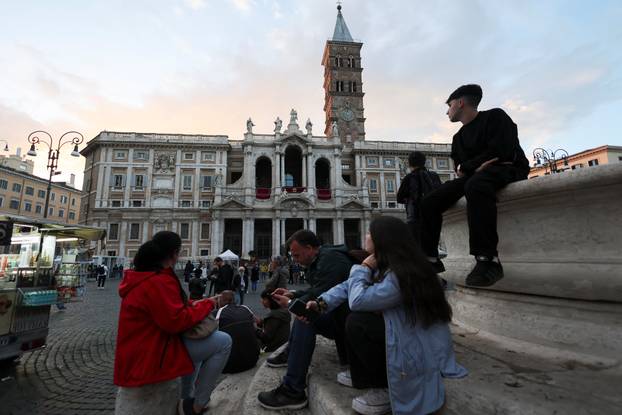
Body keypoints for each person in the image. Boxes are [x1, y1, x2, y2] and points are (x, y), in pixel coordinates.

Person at [308, 216, 467, 415]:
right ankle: (362, 376)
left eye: (369, 233)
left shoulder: (403, 275)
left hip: (414, 341)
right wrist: (321, 303)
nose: (365, 236)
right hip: (401, 328)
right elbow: (346, 288)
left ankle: (382, 387)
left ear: (382, 240)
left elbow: (358, 300)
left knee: (357, 321)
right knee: (345, 310)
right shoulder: (388, 265)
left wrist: (363, 267)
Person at [420, 84, 530, 287]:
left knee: (476, 186)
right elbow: (460, 170)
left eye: (449, 105)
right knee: (430, 201)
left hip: (508, 169)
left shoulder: (495, 117)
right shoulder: (457, 138)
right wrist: (477, 165)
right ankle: (430, 260)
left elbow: (502, 151)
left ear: (460, 103)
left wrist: (473, 166)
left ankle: (488, 260)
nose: (447, 111)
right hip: (477, 175)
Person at [113, 231, 232, 415]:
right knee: (223, 341)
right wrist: (210, 304)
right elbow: (177, 320)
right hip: (153, 351)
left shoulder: (143, 276)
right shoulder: (158, 281)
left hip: (142, 348)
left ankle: (185, 398)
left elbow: (172, 307)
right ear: (174, 254)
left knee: (197, 356)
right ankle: (198, 403)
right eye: (180, 252)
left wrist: (200, 303)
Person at [257, 230, 355, 410]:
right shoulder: (322, 259)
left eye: (296, 254)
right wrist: (293, 293)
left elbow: (320, 298)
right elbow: (317, 289)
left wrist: (291, 302)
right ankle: (290, 358)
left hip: (350, 326)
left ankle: (293, 390)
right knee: (305, 315)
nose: (294, 259)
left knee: (306, 317)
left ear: (310, 248)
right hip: (344, 319)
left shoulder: (331, 261)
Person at [397, 151, 441, 244]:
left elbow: (399, 197)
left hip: (415, 217)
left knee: (417, 244)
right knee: (432, 244)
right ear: (424, 162)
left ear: (409, 164)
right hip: (433, 216)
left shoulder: (409, 177)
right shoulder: (434, 176)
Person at [216, 290, 260, 374]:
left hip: (230, 366)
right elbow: (257, 322)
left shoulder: (219, 312)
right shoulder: (245, 308)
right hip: (253, 360)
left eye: (218, 299)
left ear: (222, 300)